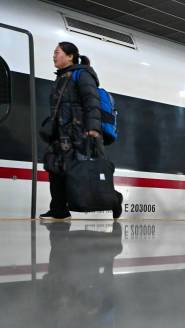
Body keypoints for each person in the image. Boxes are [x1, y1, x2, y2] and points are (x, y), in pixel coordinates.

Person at [40, 42, 122, 220]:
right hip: (61, 134)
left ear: (70, 56)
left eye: (57, 52)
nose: (54, 56)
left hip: (79, 134)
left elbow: (92, 102)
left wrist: (93, 129)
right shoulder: (61, 78)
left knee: (84, 172)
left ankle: (115, 199)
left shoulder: (82, 74)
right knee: (55, 169)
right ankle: (59, 210)